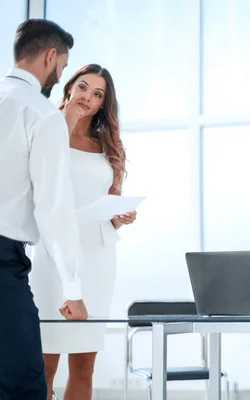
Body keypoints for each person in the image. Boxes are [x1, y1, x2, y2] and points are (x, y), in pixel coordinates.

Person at [30, 64, 136, 400]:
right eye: (83, 87)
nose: (87, 97)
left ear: (105, 104)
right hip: (51, 257)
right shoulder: (45, 127)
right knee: (44, 364)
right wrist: (66, 123)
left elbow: (110, 202)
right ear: (69, 88)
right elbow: (40, 182)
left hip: (98, 257)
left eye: (97, 94)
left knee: (84, 366)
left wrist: (120, 216)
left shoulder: (108, 144)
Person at [0, 19, 88, 400]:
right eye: (63, 67)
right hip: (3, 264)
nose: (60, 75)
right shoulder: (41, 113)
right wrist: (73, 287)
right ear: (50, 56)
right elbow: (53, 208)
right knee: (24, 386)